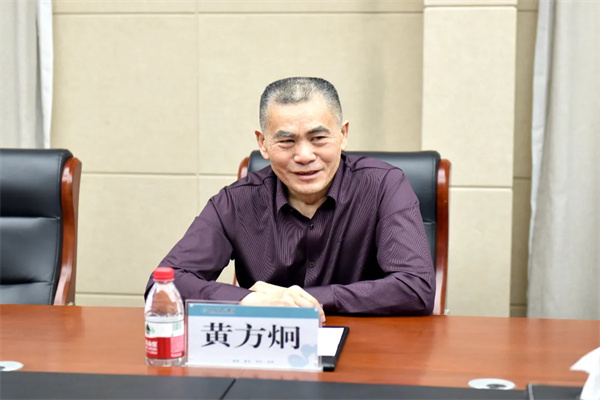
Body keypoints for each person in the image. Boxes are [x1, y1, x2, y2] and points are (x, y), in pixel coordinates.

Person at [145, 77, 435, 318]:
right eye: (286, 141)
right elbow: (164, 284)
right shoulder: (236, 202)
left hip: (368, 351)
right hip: (268, 351)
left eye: (318, 138)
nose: (304, 156)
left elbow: (415, 287)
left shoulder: (384, 186)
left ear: (343, 135)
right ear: (263, 144)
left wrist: (308, 300)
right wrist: (249, 300)